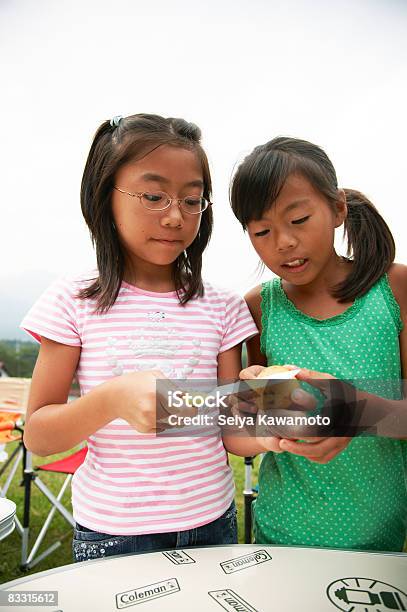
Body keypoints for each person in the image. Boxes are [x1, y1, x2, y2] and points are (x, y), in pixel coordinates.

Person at [21, 113, 258, 561]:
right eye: (154, 196)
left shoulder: (223, 305)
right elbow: (38, 434)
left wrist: (279, 423)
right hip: (114, 532)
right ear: (104, 194)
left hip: (212, 521)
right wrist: (110, 400)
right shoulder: (75, 299)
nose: (174, 216)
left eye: (192, 200)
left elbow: (231, 429)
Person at [225, 136, 407, 551]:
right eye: (262, 231)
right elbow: (242, 427)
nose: (283, 242)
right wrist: (262, 409)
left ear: (338, 208)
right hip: (281, 535)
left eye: (300, 219)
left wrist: (355, 413)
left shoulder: (394, 289)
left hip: (383, 537)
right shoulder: (257, 307)